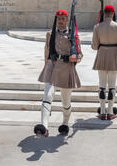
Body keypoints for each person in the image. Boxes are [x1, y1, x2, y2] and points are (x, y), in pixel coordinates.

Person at [34, 9, 82, 137]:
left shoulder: (73, 35)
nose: (60, 21)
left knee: (65, 101)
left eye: (63, 19)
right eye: (58, 19)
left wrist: (75, 58)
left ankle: (65, 123)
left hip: (66, 68)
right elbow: (47, 50)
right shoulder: (50, 34)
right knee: (47, 96)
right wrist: (46, 66)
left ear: (67, 20)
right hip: (52, 66)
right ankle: (44, 127)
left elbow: (80, 54)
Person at [92, 5, 117, 120]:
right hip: (114, 55)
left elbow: (94, 47)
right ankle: (110, 111)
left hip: (101, 55)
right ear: (113, 13)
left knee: (101, 85)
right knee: (112, 86)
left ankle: (102, 111)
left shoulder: (97, 27)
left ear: (104, 13)